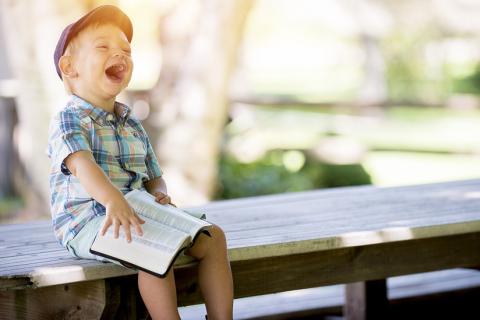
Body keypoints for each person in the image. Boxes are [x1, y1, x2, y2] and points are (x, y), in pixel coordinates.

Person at [47, 5, 233, 319]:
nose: (119, 54)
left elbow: (152, 174)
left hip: (137, 210)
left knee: (213, 237)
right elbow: (82, 165)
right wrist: (113, 200)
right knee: (154, 251)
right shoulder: (69, 118)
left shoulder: (129, 120)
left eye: (126, 50)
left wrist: (159, 192)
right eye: (103, 47)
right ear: (69, 67)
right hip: (89, 221)